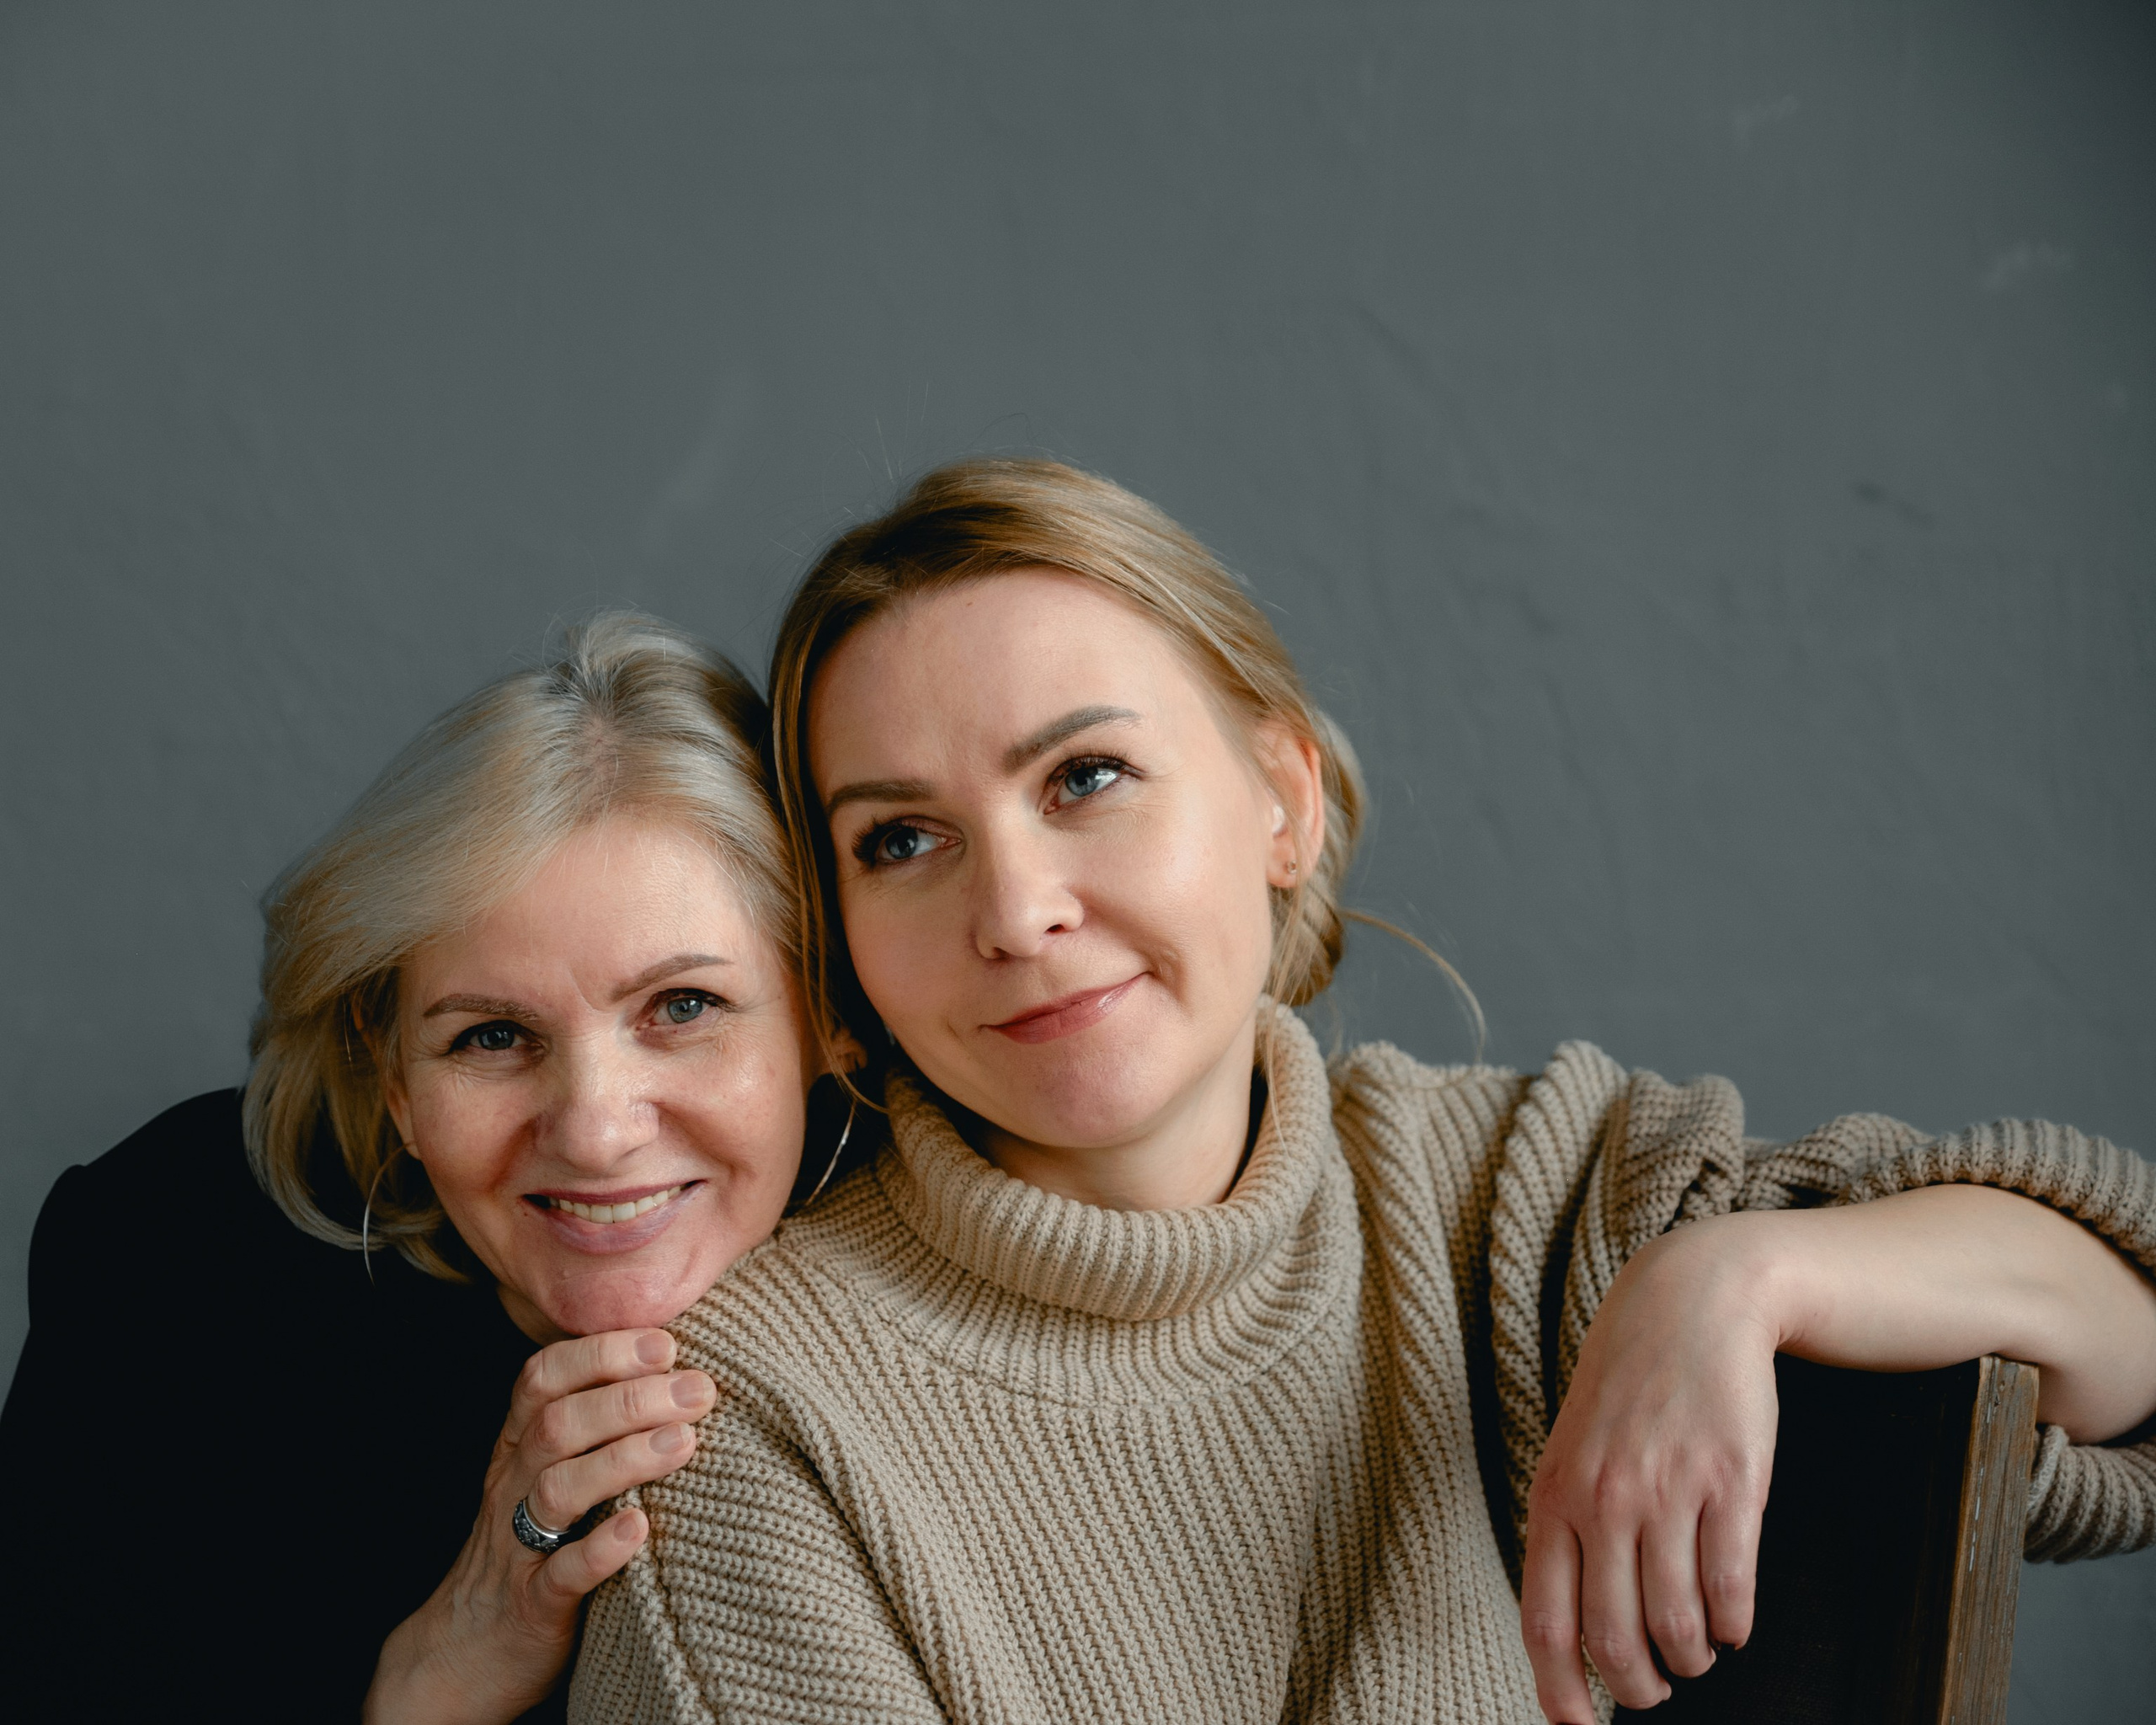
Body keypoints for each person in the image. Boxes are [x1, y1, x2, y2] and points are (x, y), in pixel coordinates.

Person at [574, 460, 2156, 1725]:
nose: (1017, 909)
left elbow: (2126, 1333)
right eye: (901, 841)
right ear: (837, 930)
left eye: (1087, 778)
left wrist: (1743, 1270)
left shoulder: (1512, 1195)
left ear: (1279, 798)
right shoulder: (749, 1423)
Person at [1, 615, 860, 1723]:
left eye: (682, 1008)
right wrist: (441, 1674)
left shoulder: (961, 1301)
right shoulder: (174, 1265)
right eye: (491, 1036)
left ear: (824, 1021)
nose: (595, 1131)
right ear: (391, 1073)